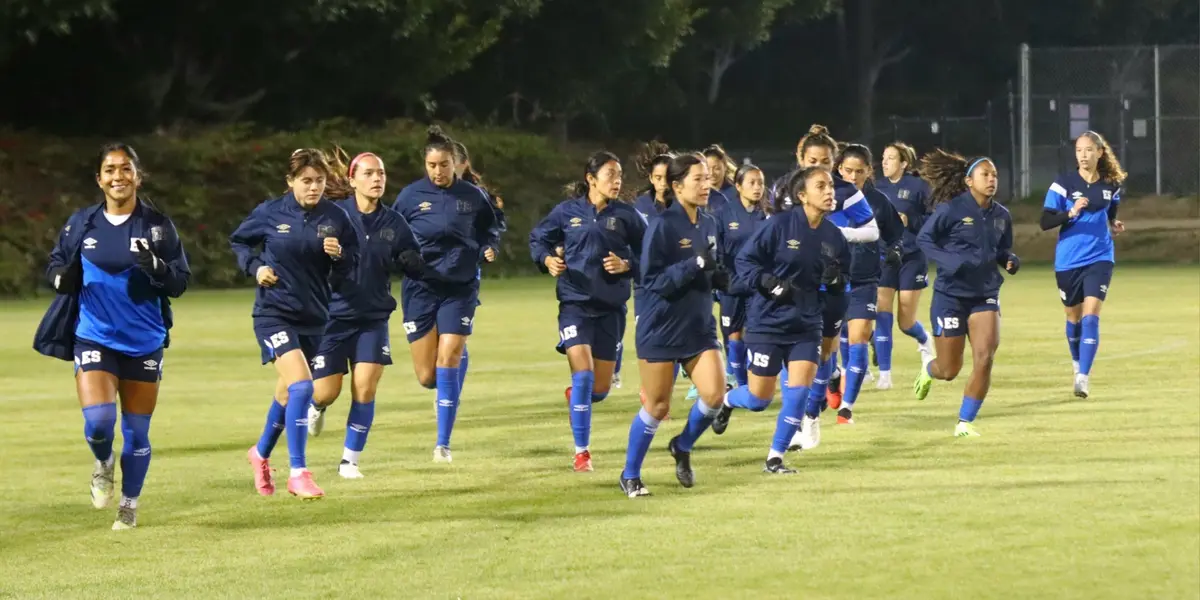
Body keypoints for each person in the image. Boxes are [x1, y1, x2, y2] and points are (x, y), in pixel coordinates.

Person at [33, 143, 190, 529]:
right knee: (100, 422)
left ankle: (130, 505)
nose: (118, 176)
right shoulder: (81, 224)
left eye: (125, 169)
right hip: (94, 337)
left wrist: (156, 266)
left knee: (137, 432)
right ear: (99, 179)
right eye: (110, 170)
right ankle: (103, 462)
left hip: (144, 341)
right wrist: (60, 278)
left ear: (138, 176)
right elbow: (55, 266)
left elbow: (180, 282)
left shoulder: (157, 226)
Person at [230, 148, 360, 499]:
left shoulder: (336, 218)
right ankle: (298, 472)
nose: (313, 187)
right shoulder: (270, 213)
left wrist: (341, 256)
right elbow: (240, 242)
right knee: (303, 387)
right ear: (290, 183)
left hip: (315, 317)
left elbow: (352, 264)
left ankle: (259, 453)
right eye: (306, 181)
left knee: (288, 392)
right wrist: (255, 267)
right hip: (274, 313)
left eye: (319, 181)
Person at [711, 166, 850, 473]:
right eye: (821, 186)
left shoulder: (835, 237)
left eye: (831, 186)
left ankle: (775, 457)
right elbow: (746, 261)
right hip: (768, 321)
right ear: (802, 196)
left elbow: (844, 280)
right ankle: (729, 401)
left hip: (808, 324)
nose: (830, 192)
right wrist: (768, 283)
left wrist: (838, 284)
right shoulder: (779, 225)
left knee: (799, 392)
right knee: (759, 398)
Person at [306, 149, 425, 479]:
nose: (377, 179)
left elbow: (412, 256)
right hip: (332, 316)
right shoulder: (332, 216)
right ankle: (317, 407)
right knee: (326, 391)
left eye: (381, 173)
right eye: (370, 173)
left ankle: (349, 461)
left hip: (372, 317)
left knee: (365, 388)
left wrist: (412, 263)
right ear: (352, 180)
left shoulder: (394, 222)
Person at [529, 151, 645, 472]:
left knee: (599, 390)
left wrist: (628, 265)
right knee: (583, 375)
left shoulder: (628, 216)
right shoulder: (566, 213)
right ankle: (582, 453)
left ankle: (577, 397)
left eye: (619, 174)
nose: (617, 180)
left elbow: (652, 254)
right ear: (590, 179)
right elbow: (538, 239)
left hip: (611, 310)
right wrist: (547, 259)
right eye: (610, 174)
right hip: (574, 306)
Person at [621, 153, 728, 497]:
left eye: (708, 178)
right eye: (697, 179)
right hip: (662, 326)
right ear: (677, 185)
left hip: (698, 326)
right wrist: (695, 264)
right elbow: (653, 281)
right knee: (658, 406)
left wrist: (730, 280)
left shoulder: (709, 224)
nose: (705, 184)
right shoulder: (662, 225)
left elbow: (713, 271)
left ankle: (682, 445)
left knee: (714, 396)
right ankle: (630, 475)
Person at [392, 126, 501, 462]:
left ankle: (443, 444)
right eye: (432, 166)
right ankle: (452, 367)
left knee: (448, 356)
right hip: (421, 287)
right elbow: (391, 234)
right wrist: (399, 256)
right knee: (428, 377)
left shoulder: (473, 196)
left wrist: (489, 246)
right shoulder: (410, 197)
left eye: (443, 164)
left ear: (457, 163)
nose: (438, 171)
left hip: (461, 286)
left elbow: (492, 226)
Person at [773, 126, 877, 451]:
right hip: (795, 282)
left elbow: (872, 231)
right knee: (794, 354)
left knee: (824, 351)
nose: (818, 164)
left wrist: (838, 235)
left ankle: (811, 417)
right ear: (800, 158)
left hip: (833, 281)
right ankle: (805, 414)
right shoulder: (784, 189)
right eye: (812, 159)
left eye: (826, 160)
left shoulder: (844, 190)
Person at [913, 150, 1019, 437]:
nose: (991, 179)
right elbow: (924, 238)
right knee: (949, 370)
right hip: (950, 295)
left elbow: (1002, 250)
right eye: (985, 174)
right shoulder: (951, 209)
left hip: (985, 294)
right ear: (969, 181)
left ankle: (964, 422)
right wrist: (948, 261)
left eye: (995, 174)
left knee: (985, 357)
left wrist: (1009, 259)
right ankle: (929, 368)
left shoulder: (1001, 216)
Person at [1039, 131, 1127, 398]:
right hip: (1068, 260)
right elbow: (1045, 222)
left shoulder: (1111, 184)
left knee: (1091, 316)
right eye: (1079, 150)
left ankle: (1083, 377)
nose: (1083, 155)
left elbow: (1111, 207)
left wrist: (1113, 222)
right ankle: (1077, 364)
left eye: (1089, 150)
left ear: (1100, 152)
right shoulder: (1063, 183)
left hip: (1100, 257)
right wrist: (1071, 212)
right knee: (1073, 317)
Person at [830, 144, 903, 424]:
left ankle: (846, 408)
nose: (853, 177)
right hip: (830, 281)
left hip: (864, 280)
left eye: (859, 171)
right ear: (839, 169)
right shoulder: (828, 196)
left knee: (859, 337)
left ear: (869, 172)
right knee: (827, 347)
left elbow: (896, 234)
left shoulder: (879, 201)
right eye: (848, 170)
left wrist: (896, 250)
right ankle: (834, 378)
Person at [873, 141, 935, 389]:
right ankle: (885, 376)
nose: (885, 162)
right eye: (884, 158)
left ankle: (925, 339)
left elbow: (933, 220)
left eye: (890, 158)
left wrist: (910, 219)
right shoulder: (877, 188)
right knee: (882, 313)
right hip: (885, 257)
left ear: (904, 163)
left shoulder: (918, 187)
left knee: (905, 321)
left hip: (911, 257)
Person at [715, 163, 769, 389]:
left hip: (758, 287)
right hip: (732, 287)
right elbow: (716, 253)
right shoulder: (723, 215)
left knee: (755, 335)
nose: (757, 188)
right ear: (738, 186)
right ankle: (740, 383)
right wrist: (722, 281)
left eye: (761, 183)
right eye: (752, 183)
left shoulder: (767, 215)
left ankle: (752, 386)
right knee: (734, 335)